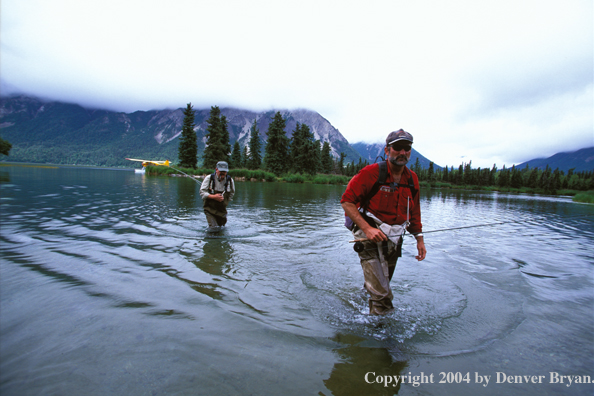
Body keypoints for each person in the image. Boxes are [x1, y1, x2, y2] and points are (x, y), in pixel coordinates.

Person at [341, 129, 426, 315]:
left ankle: (363, 308)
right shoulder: (371, 173)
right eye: (398, 148)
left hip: (394, 237)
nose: (402, 152)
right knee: (382, 295)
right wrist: (368, 229)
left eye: (407, 148)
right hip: (367, 234)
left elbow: (415, 212)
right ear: (387, 150)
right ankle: (379, 339)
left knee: (382, 284)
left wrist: (419, 238)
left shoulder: (413, 179)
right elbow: (347, 202)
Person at [200, 161, 235, 228]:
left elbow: (231, 193)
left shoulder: (230, 180)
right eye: (221, 172)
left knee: (221, 227)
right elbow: (202, 192)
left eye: (224, 172)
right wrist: (214, 197)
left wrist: (225, 202)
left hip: (222, 210)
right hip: (209, 209)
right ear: (216, 170)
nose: (222, 174)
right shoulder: (209, 178)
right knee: (213, 228)